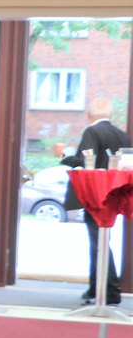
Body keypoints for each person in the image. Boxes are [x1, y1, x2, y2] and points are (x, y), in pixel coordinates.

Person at [62, 96, 130, 304]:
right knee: (100, 241)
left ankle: (110, 291)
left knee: (98, 243)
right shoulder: (124, 136)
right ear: (111, 114)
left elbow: (85, 162)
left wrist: (65, 155)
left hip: (95, 195)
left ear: (89, 114)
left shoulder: (92, 132)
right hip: (116, 195)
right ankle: (95, 288)